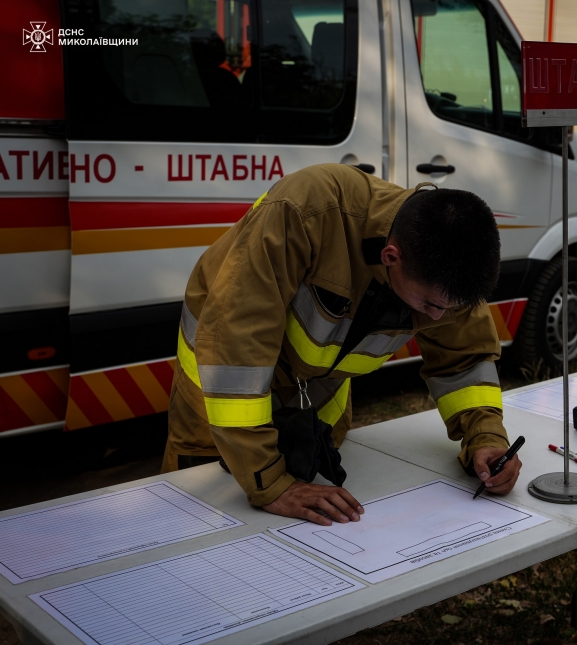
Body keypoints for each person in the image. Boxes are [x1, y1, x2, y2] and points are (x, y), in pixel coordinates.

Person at [163, 164, 522, 525]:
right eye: (429, 305)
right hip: (222, 395)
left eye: (448, 308)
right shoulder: (306, 210)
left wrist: (485, 435)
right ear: (391, 257)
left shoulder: (446, 266)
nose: (436, 318)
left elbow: (464, 360)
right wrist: (270, 483)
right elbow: (237, 340)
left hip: (316, 401)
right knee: (197, 523)